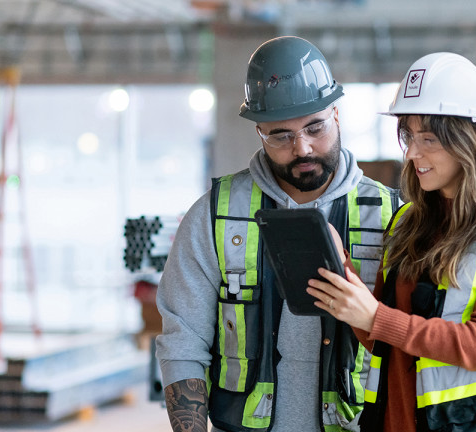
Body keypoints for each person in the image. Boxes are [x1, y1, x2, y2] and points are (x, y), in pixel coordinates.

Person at [155, 36, 400, 432]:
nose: (302, 148)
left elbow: (413, 346)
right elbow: (183, 340)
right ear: (259, 132)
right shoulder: (216, 215)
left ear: (336, 114)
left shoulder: (392, 215)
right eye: (281, 135)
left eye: (314, 127)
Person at [307, 52, 476, 431]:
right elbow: (386, 341)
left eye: (429, 139)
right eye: (409, 136)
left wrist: (374, 316)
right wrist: (346, 282)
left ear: (469, 141)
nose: (413, 153)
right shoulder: (406, 222)